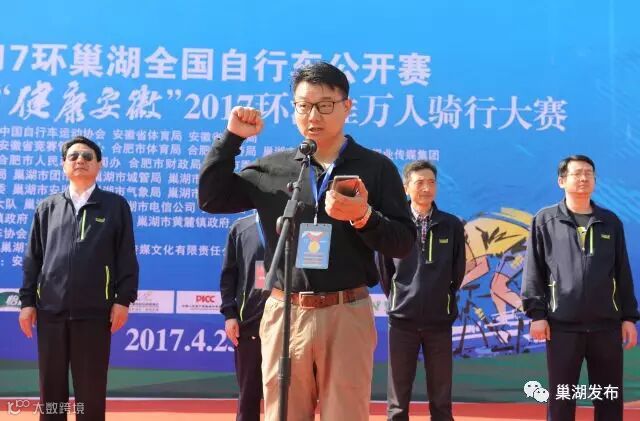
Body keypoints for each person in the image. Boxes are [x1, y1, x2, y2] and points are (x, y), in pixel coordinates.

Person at [198, 61, 415, 420]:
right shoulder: (274, 168)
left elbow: (403, 242)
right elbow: (211, 198)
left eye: (325, 105)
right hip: (285, 311)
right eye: (304, 106)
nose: (313, 115)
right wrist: (232, 138)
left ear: (347, 106)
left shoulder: (375, 168)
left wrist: (364, 217)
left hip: (346, 313)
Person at [18, 136, 139, 421]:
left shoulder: (114, 206)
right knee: (52, 390)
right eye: (73, 156)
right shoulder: (48, 207)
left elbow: (126, 255)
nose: (80, 161)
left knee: (91, 390)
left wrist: (123, 300)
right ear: (64, 165)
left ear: (99, 164)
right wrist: (27, 303)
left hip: (95, 313)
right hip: (51, 312)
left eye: (87, 156)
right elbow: (33, 258)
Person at [522, 155, 639, 421]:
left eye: (589, 173)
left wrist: (629, 318)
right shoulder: (545, 220)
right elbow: (534, 270)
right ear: (561, 181)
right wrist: (537, 314)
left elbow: (622, 272)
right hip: (562, 326)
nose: (584, 178)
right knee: (562, 398)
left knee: (608, 397)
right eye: (577, 173)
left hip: (605, 326)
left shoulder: (610, 222)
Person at [378, 160, 465, 421]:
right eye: (419, 183)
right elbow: (384, 270)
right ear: (406, 188)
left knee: (441, 398)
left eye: (431, 182)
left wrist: (442, 299)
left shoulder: (451, 225)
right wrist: (401, 298)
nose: (426, 188)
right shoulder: (394, 224)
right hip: (402, 321)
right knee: (398, 399)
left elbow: (457, 271)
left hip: (439, 322)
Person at [220, 213, 267, 421]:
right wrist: (229, 314)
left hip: (289, 324)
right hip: (249, 324)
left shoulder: (293, 224)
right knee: (249, 394)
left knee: (287, 394)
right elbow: (229, 275)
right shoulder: (240, 229)